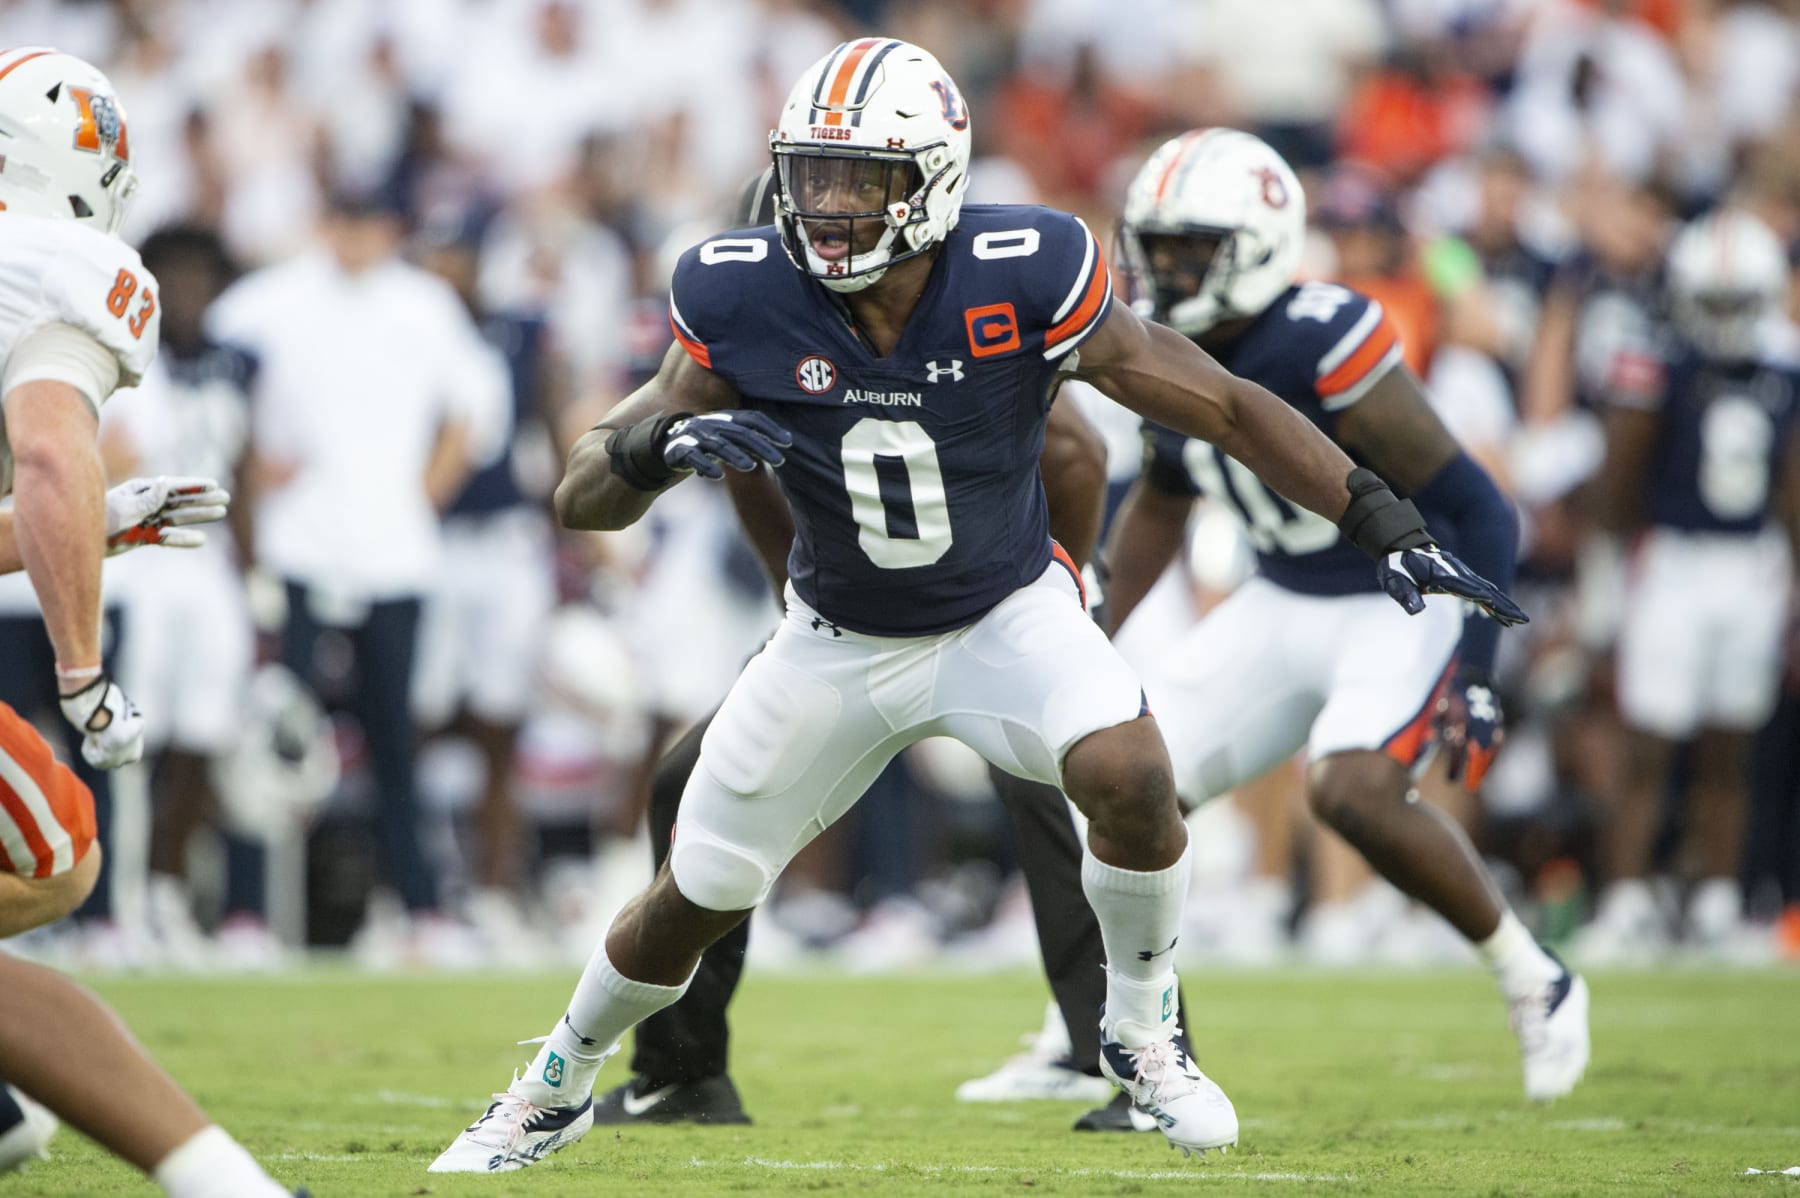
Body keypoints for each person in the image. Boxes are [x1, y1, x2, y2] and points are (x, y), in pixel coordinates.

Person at [432, 39, 1523, 1172]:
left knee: (1135, 772)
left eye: (860, 180)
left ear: (935, 182)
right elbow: (580, 490)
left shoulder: (1024, 268)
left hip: (1005, 611)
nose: (829, 207)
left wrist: (1380, 517)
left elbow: (1230, 410)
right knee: (696, 890)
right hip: (837, 637)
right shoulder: (742, 288)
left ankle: (1141, 1036)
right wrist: (659, 444)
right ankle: (552, 1082)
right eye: (811, 175)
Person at [588, 171, 1145, 1135]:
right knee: (691, 777)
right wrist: (798, 624)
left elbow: (1076, 456)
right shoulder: (761, 328)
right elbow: (763, 485)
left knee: (1060, 779)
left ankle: (1127, 1054)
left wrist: (1064, 594)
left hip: (993, 606)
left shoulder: (951, 320)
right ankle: (682, 1070)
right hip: (856, 624)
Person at [1102, 129, 1589, 1102]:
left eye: (1190, 248)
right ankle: (1107, 1032)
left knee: (1350, 792)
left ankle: (1532, 972)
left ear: (1259, 244)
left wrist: (1480, 667)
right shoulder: (1161, 344)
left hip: (1388, 599)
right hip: (1277, 596)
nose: (1165, 269)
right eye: (1154, 247)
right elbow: (1162, 494)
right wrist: (1087, 628)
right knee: (1120, 784)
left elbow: (1481, 503)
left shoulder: (1320, 333)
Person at [0, 45, 301, 1198]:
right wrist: (83, 668)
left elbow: (45, 477)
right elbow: (45, 444)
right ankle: (230, 1184)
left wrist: (85, 521)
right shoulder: (58, 260)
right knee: (58, 849)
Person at [206, 176, 505, 964]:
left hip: (392, 553)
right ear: (326, 222)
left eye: (373, 224)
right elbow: (208, 390)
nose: (358, 239)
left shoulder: (423, 306)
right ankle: (246, 912)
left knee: (392, 740)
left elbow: (476, 407)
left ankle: (415, 907)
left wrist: (425, 496)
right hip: (296, 549)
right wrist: (244, 464)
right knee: (274, 731)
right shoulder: (267, 303)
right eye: (347, 221)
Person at [1578, 207, 1799, 960]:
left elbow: (1792, 491)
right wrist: (1604, 583)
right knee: (1648, 741)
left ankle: (1716, 899)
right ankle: (1625, 900)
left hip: (1752, 562)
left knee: (1731, 746)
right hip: (1670, 558)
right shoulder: (1655, 360)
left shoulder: (1784, 365)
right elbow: (1616, 484)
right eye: (1717, 300)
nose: (1728, 318)